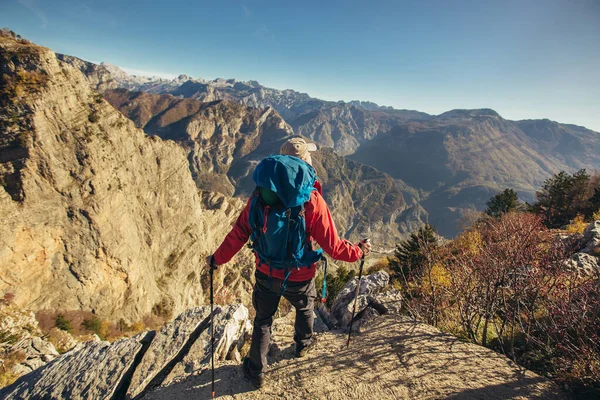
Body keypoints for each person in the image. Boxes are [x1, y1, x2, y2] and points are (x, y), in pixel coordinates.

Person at [207, 137, 371, 388]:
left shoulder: (260, 196)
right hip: (300, 273)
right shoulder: (312, 199)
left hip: (266, 271)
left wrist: (216, 260)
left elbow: (239, 233)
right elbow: (334, 247)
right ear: (307, 161)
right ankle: (302, 346)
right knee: (305, 308)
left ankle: (256, 371)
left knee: (263, 319)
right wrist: (359, 252)